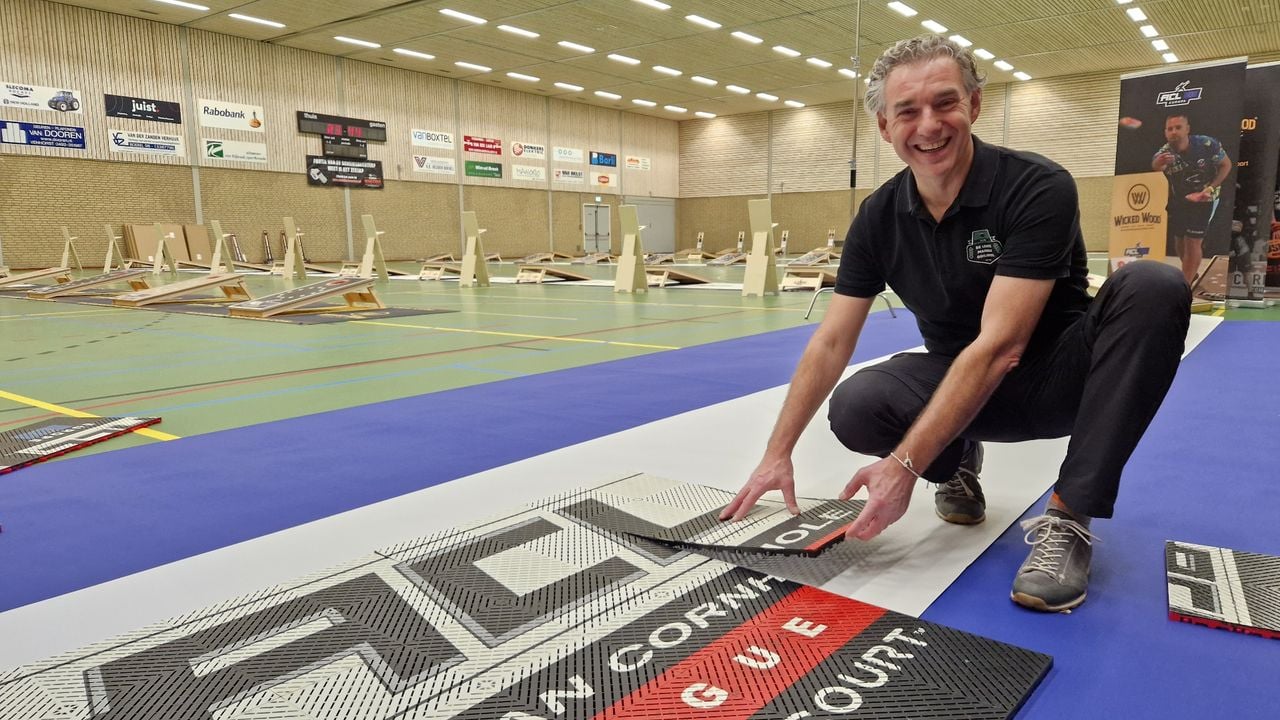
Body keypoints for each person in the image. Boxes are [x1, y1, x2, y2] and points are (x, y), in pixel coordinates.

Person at [719, 35, 1191, 613]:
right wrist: (776, 452)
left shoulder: (1036, 187)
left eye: (945, 103)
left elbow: (1002, 346)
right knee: (858, 403)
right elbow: (833, 339)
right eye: (907, 111)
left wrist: (900, 467)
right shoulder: (878, 216)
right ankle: (956, 461)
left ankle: (1068, 519)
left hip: (1061, 378)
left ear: (974, 105)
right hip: (960, 386)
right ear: (884, 126)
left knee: (1153, 285)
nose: (929, 126)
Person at [1152, 114, 1232, 284]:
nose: (1174, 132)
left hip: (1205, 198)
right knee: (1179, 239)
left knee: (1193, 241)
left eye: (1178, 127)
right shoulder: (1164, 152)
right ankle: (1190, 271)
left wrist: (1210, 188)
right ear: (1165, 132)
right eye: (1170, 129)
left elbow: (1226, 164)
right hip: (1180, 200)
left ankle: (1185, 286)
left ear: (1187, 129)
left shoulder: (1206, 144)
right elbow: (1156, 167)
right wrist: (1159, 164)